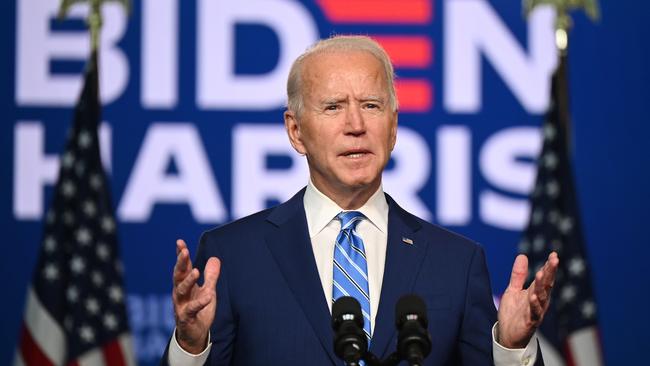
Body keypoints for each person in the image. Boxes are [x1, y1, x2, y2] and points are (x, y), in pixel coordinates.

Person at [162, 35, 558, 365]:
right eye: (333, 107)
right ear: (296, 131)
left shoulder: (455, 264)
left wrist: (510, 348)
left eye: (371, 106)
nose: (355, 125)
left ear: (393, 126)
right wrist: (191, 347)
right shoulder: (233, 255)